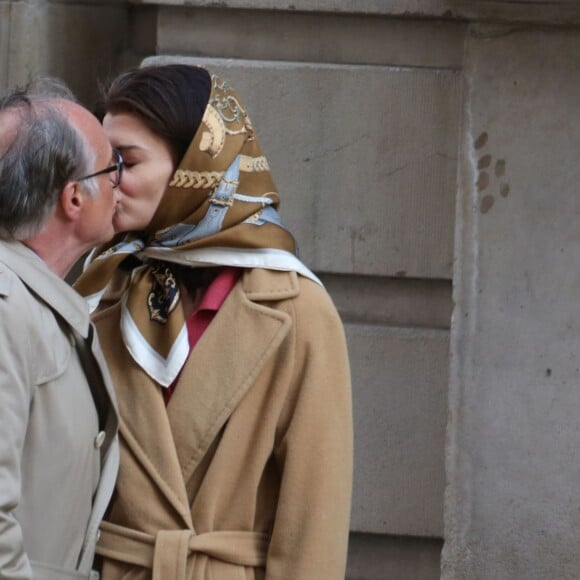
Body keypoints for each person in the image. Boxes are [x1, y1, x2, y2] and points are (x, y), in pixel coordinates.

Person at [75, 64, 352, 580]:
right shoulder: (100, 288)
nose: (104, 182)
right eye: (101, 162)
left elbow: (316, 518)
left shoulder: (298, 310)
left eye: (124, 163)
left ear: (191, 166)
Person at [0, 82, 120, 580]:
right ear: (74, 198)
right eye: (113, 168)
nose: (122, 183)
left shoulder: (27, 297)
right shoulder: (6, 308)